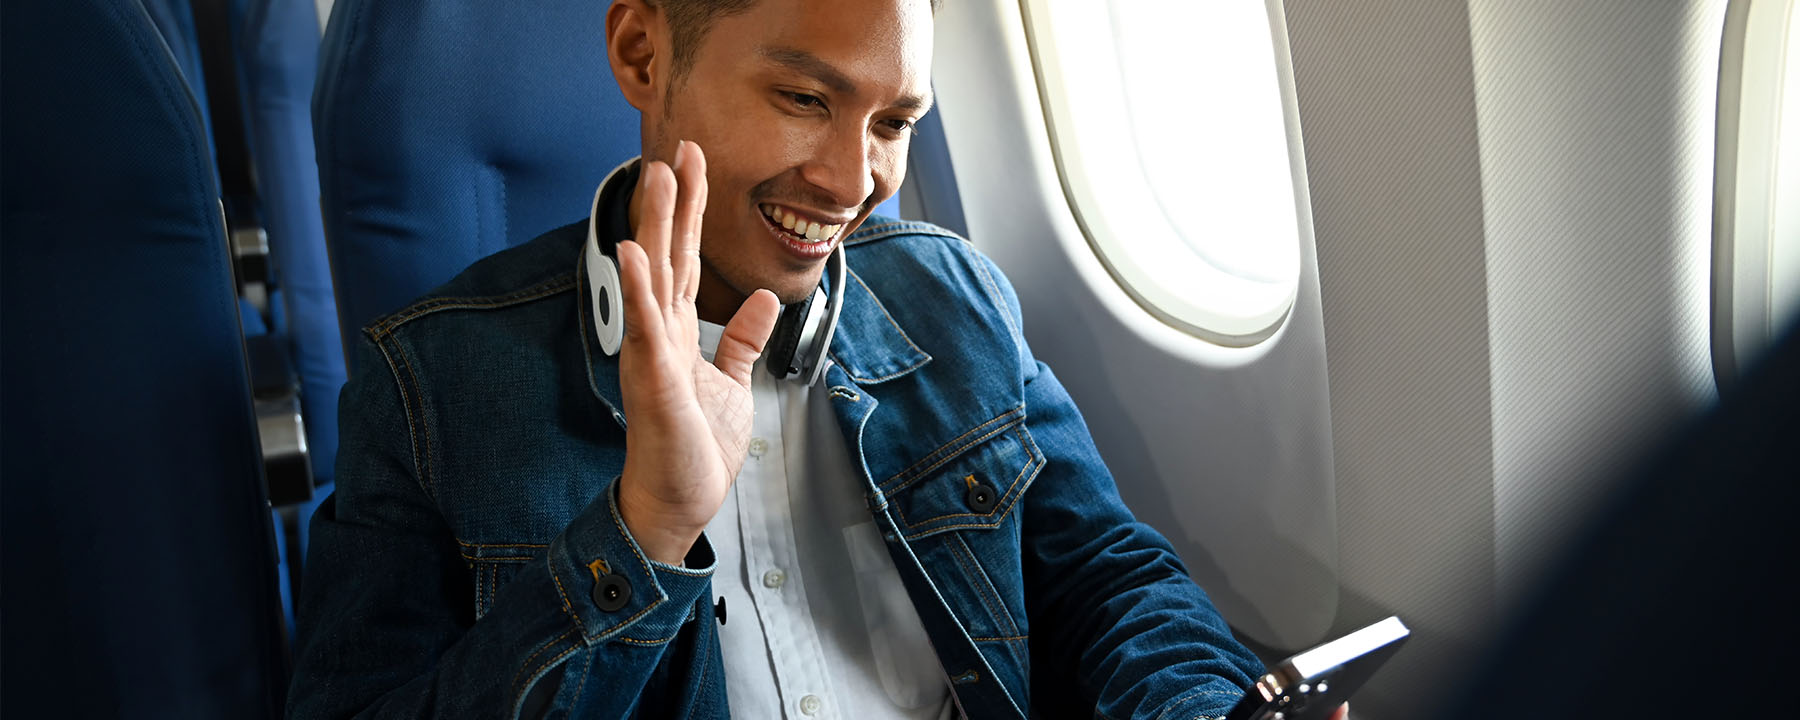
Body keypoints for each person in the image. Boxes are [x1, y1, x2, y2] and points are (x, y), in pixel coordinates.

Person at [288, 0, 1287, 717]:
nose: (856, 181)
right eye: (806, 99)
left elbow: (1109, 586)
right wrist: (643, 533)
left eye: (894, 122)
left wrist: (1208, 708)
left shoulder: (957, 301)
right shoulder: (430, 381)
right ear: (642, 55)